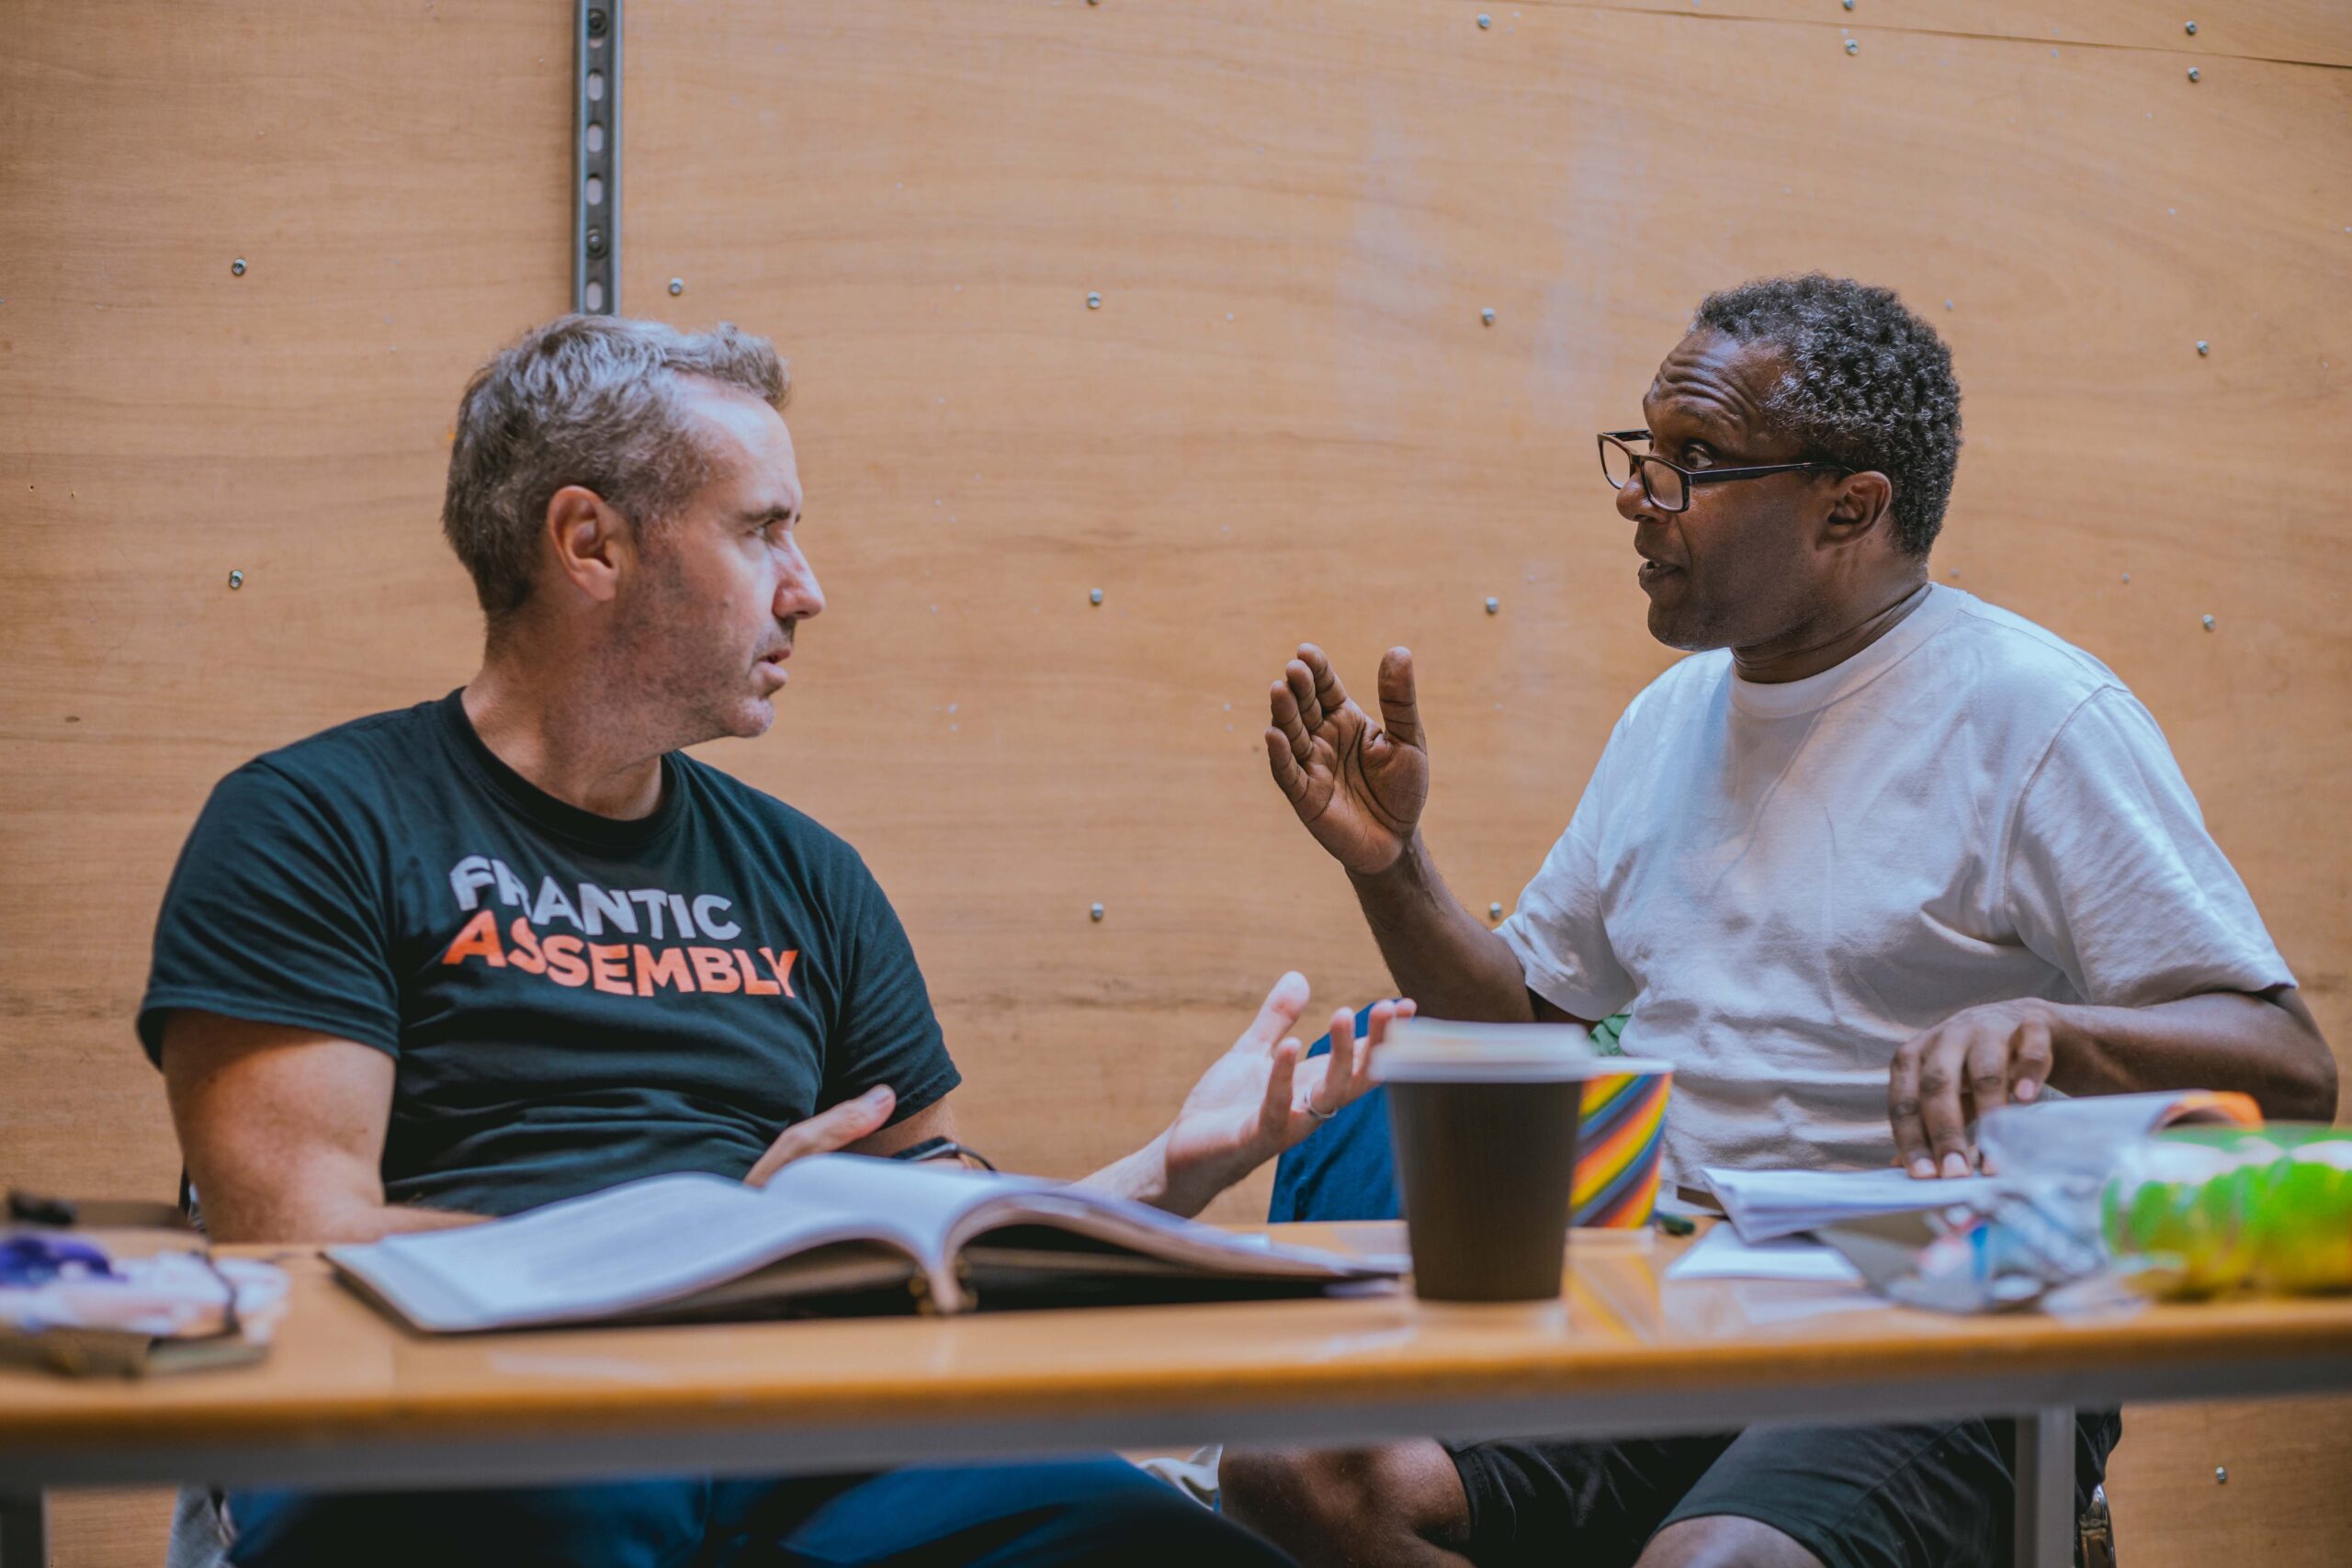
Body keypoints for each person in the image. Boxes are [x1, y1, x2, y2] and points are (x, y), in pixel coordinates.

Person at [144, 314, 1410, 1568]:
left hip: (807, 1418)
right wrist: (708, 1253)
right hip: (474, 1414)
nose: (808, 588)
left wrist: (1172, 1171)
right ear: (591, 543)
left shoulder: (806, 873)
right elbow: (295, 1246)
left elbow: (939, 1238)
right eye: (762, 531)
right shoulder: (314, 823)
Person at [1222, 275, 2336, 1568]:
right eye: (1644, 448)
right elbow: (1531, 1026)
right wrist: (1393, 865)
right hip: (1677, 1310)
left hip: (1939, 1334)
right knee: (1299, 1473)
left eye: (1694, 461)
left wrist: (2055, 1033)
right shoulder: (1669, 722)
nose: (1640, 492)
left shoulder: (2033, 716)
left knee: (1717, 1567)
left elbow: (2292, 1069)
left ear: (1849, 506)